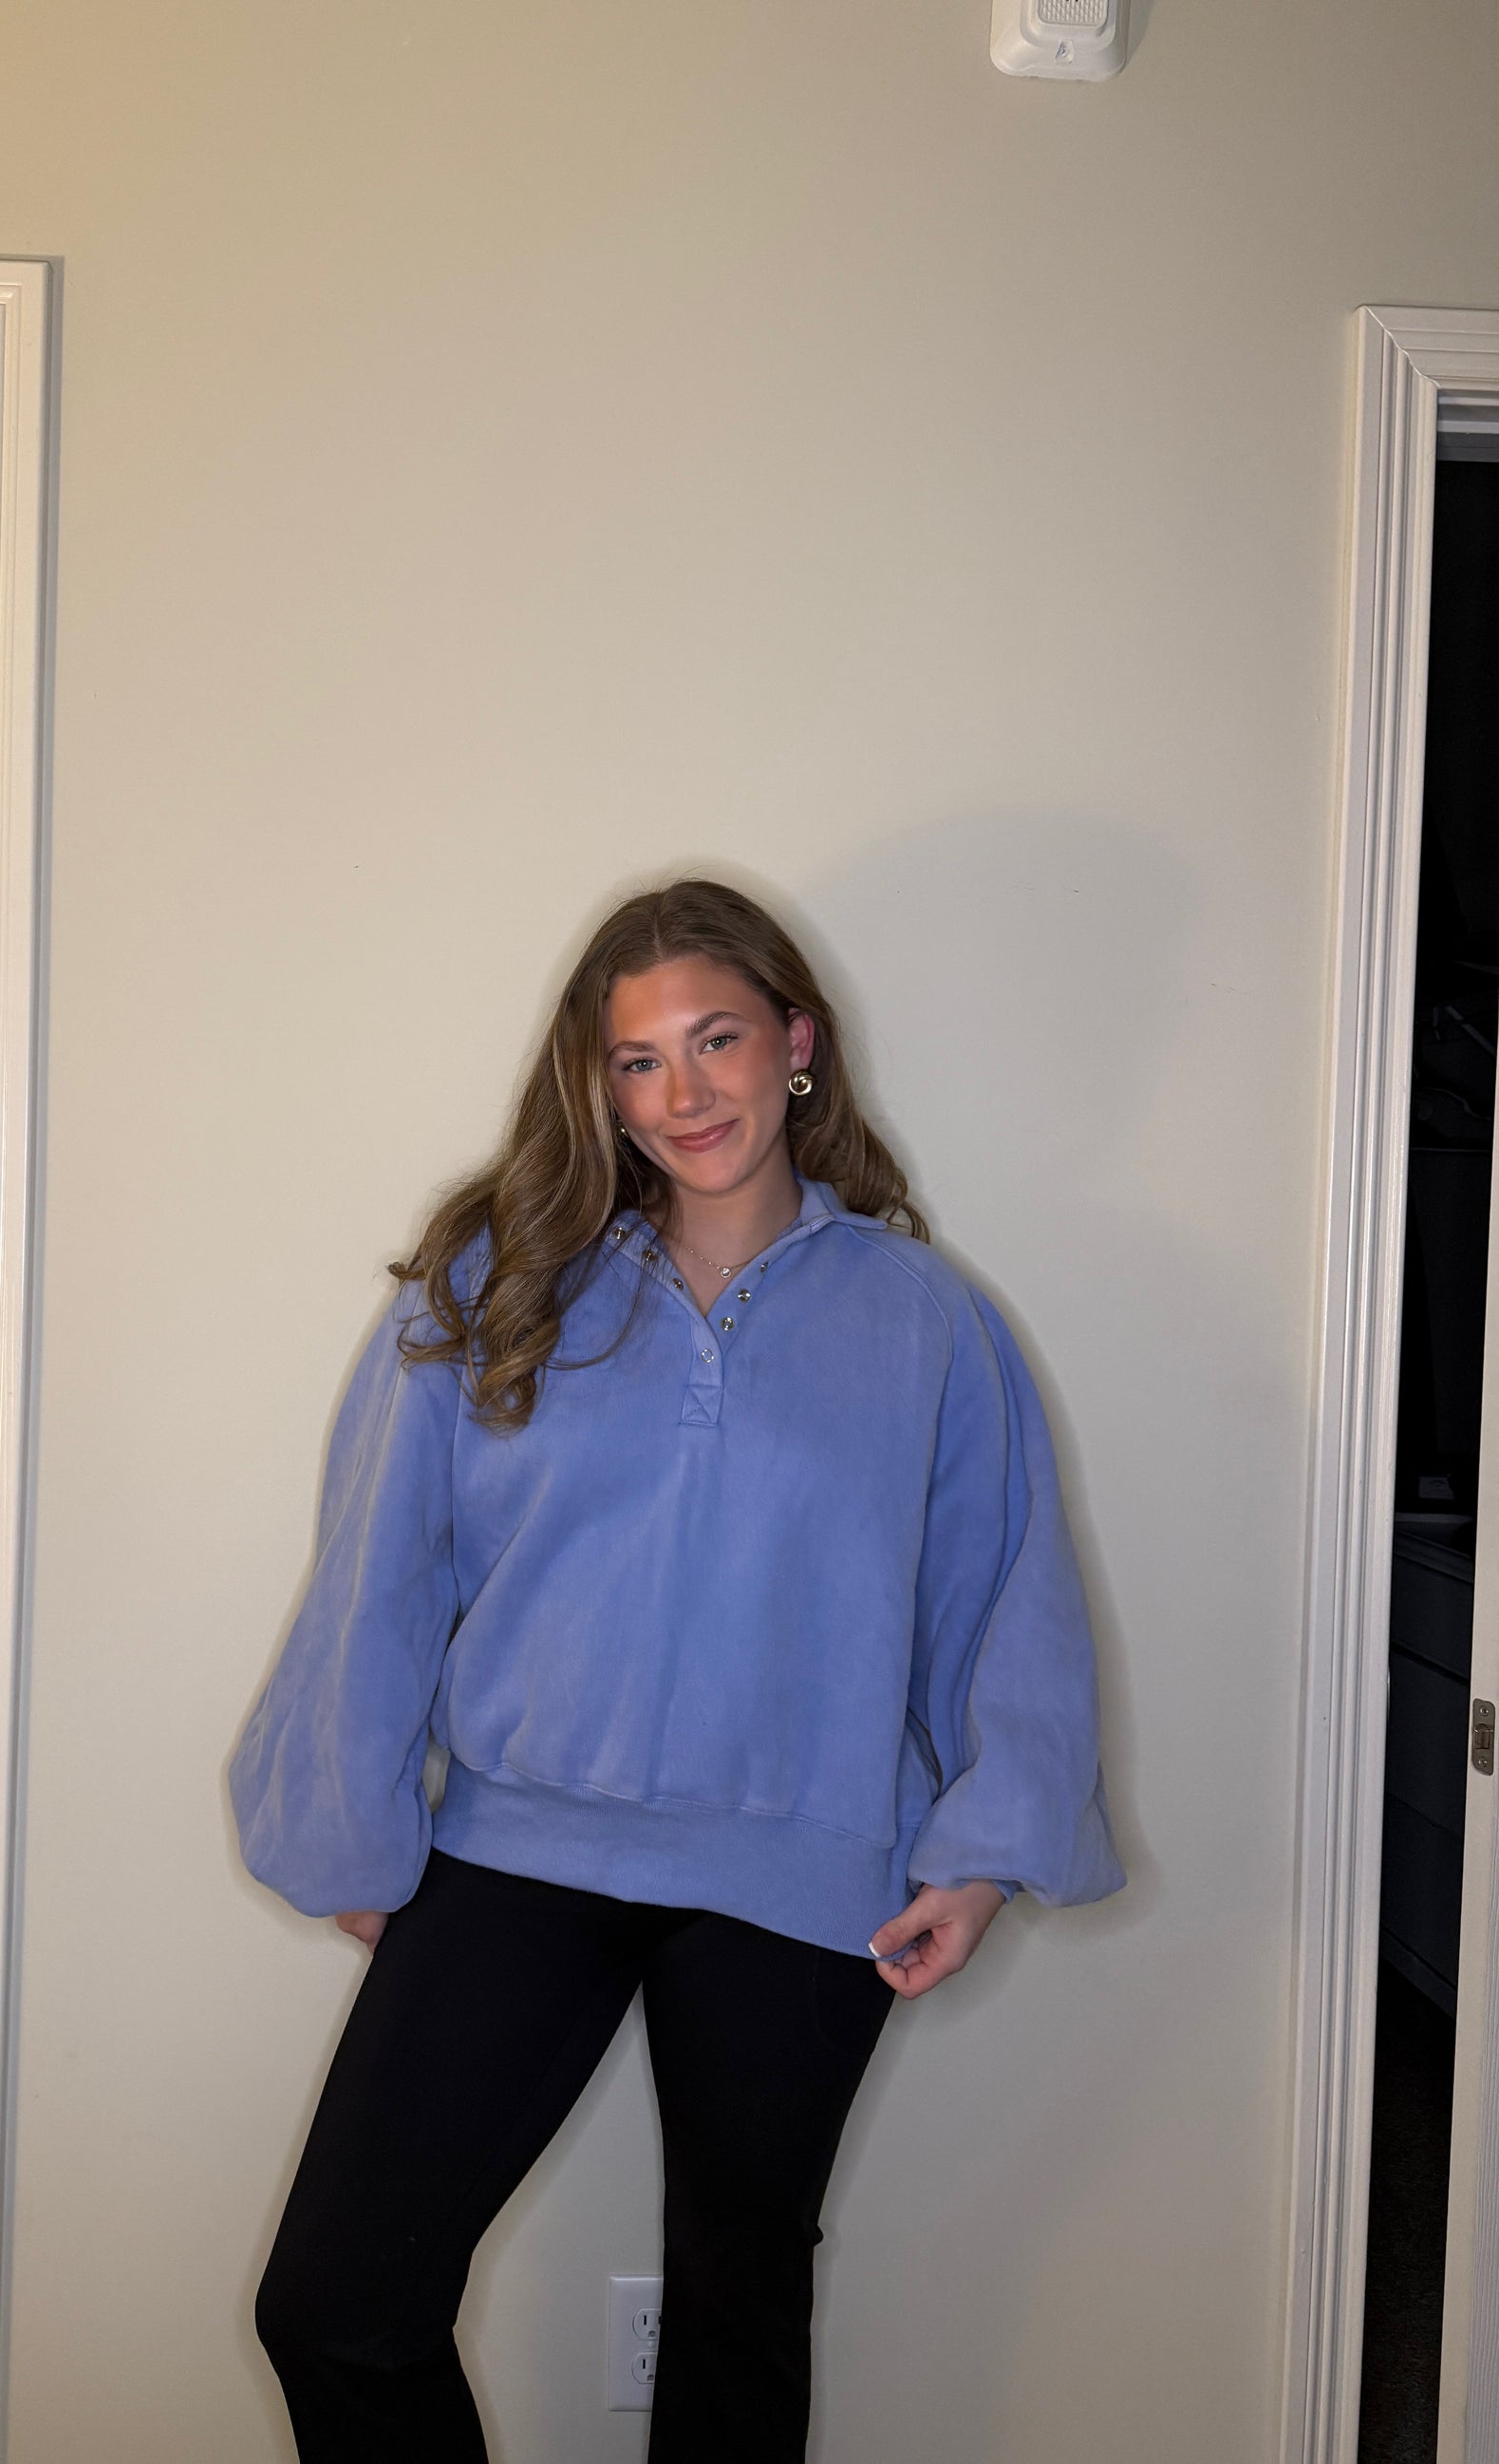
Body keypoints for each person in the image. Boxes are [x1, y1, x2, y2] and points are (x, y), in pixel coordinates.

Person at [229, 875, 1123, 2463]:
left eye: (715, 1040)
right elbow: (378, 1572)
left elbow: (1003, 1595)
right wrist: (347, 1824)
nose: (682, 1094)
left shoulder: (922, 1318)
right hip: (519, 1851)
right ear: (598, 1085)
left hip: (803, 1877)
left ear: (795, 1043)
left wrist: (985, 1854)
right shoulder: (493, 1283)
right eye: (636, 1060)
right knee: (336, 2303)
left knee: (734, 2316)